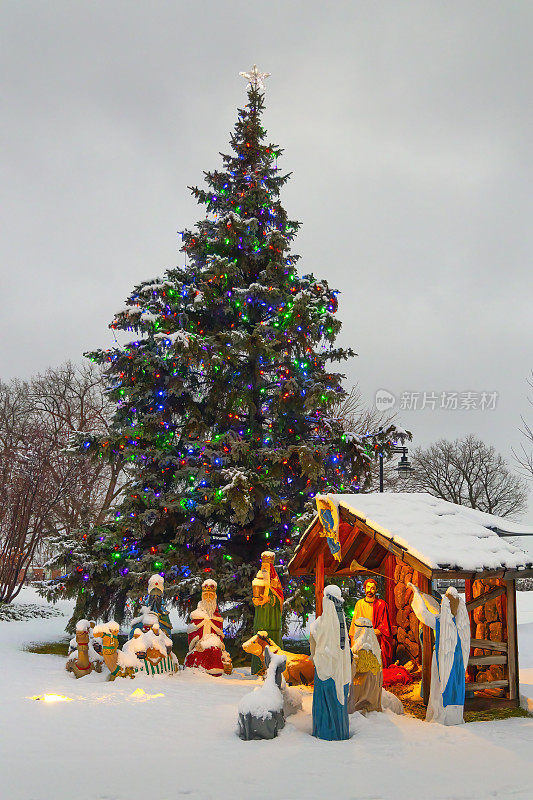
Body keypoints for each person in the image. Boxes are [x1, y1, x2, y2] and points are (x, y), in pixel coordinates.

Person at [408, 583, 470, 725]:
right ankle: (454, 717)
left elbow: (423, 614)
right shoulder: (461, 623)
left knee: (440, 686)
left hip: (443, 659)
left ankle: (441, 716)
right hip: (458, 662)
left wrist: (416, 595)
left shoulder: (441, 621)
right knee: (455, 686)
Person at [310, 585, 351, 740]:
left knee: (325, 705)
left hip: (324, 674)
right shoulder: (342, 625)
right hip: (339, 675)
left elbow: (314, 649)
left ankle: (324, 733)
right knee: (337, 703)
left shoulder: (319, 625)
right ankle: (339, 731)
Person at [184, 579, 232, 676]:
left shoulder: (217, 618)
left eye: (211, 595)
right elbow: (192, 633)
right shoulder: (196, 615)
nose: (208, 598)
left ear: (215, 597)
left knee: (214, 649)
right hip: (199, 645)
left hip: (214, 645)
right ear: (202, 597)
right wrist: (196, 642)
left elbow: (220, 636)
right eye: (206, 595)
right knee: (198, 655)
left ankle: (214, 671)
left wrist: (220, 644)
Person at [251, 551, 283, 674]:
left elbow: (279, 597)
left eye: (267, 566)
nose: (265, 568)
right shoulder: (258, 578)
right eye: (263, 565)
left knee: (271, 638)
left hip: (271, 618)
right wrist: (256, 600)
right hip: (261, 617)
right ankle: (258, 668)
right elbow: (255, 594)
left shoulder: (275, 581)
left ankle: (273, 668)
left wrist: (269, 599)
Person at [349, 578, 394, 667]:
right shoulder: (359, 604)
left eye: (372, 588)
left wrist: (372, 632)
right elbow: (354, 626)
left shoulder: (382, 604)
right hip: (362, 640)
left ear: (376, 590)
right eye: (368, 587)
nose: (369, 590)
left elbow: (385, 627)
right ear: (364, 589)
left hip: (376, 640)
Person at [348, 618, 383, 714]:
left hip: (365, 683)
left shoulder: (361, 647)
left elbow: (356, 670)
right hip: (375, 683)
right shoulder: (375, 646)